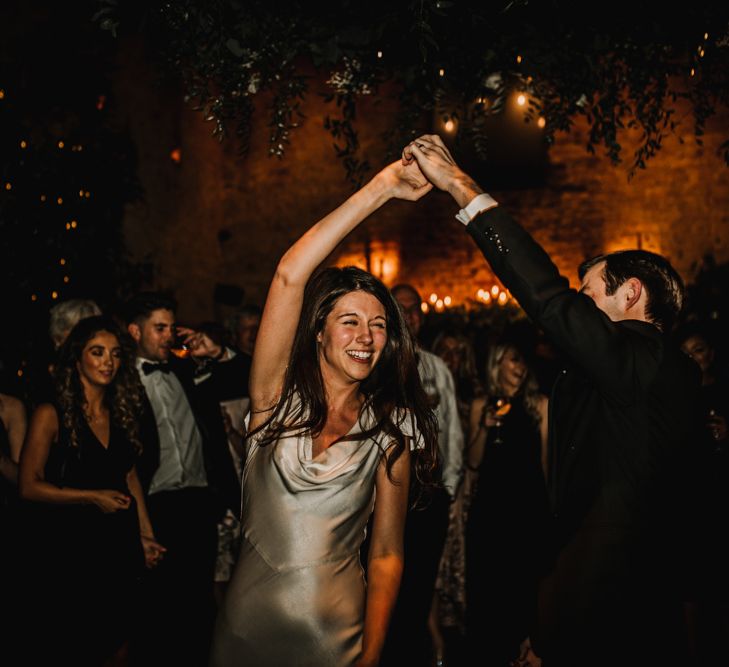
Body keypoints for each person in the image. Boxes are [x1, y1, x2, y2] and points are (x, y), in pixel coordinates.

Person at [403, 134, 701, 667]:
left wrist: (460, 187)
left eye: (588, 297)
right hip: (609, 604)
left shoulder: (644, 358)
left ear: (630, 293)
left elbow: (610, 523)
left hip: (611, 613)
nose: (577, 311)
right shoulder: (647, 374)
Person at [209, 159, 439, 667]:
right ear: (318, 331)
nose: (365, 337)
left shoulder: (391, 432)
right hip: (242, 636)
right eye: (350, 321)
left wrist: (372, 653)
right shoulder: (273, 404)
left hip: (336, 640)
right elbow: (291, 275)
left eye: (379, 326)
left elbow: (385, 556)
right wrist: (381, 190)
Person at [17, 316, 164, 665]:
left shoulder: (120, 411)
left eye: (114, 354)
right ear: (77, 358)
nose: (108, 362)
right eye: (97, 352)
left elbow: (129, 476)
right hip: (70, 548)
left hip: (118, 541)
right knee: (78, 644)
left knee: (123, 642)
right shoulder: (50, 414)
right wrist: (89, 496)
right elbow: (28, 485)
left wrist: (145, 534)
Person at [124, 292, 241, 666]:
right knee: (159, 610)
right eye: (159, 328)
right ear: (134, 331)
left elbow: (244, 377)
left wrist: (217, 353)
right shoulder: (120, 381)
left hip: (199, 501)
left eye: (170, 327)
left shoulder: (187, 369)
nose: (167, 336)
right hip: (155, 505)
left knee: (201, 605)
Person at [387, 284, 462, 667]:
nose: (411, 316)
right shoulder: (376, 366)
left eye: (415, 309)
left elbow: (452, 432)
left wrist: (449, 489)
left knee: (421, 584)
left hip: (430, 492)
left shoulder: (437, 368)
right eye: (402, 309)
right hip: (388, 494)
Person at [464, 339, 549, 665]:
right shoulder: (480, 405)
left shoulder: (540, 406)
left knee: (524, 594)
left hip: (527, 511)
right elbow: (473, 462)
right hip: (491, 512)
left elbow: (545, 465)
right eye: (513, 360)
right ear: (497, 364)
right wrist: (483, 428)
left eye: (523, 361)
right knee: (489, 595)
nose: (521, 367)